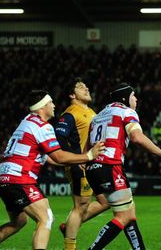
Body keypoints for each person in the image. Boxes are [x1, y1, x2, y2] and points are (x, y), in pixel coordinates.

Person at [0, 90, 104, 250]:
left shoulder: (26, 121)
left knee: (19, 222)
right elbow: (58, 156)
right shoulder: (42, 126)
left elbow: (50, 158)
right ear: (42, 107)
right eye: (50, 102)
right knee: (46, 218)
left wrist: (77, 161)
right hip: (20, 178)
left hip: (4, 177)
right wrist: (88, 156)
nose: (54, 105)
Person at [85, 83, 161, 250]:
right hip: (110, 165)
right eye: (133, 95)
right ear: (124, 98)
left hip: (93, 167)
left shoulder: (97, 117)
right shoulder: (126, 111)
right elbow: (137, 137)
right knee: (123, 216)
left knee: (129, 213)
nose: (136, 99)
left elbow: (87, 149)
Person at [55, 78, 110, 250]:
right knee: (81, 206)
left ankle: (69, 226)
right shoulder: (70, 114)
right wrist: (75, 159)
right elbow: (59, 138)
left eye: (86, 86)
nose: (86, 88)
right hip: (79, 164)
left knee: (106, 201)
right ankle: (69, 247)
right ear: (72, 94)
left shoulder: (92, 112)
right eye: (80, 87)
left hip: (92, 164)